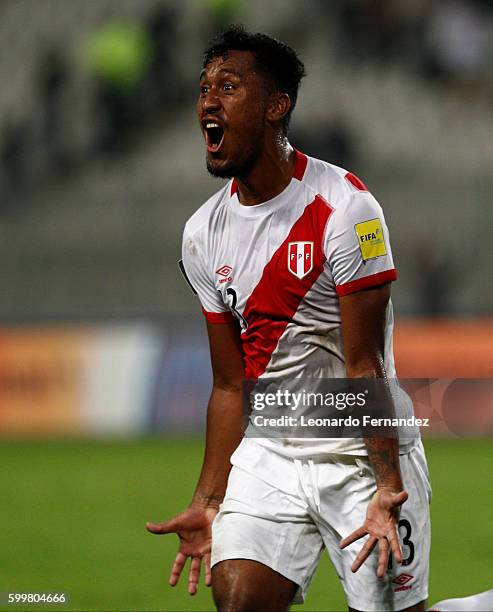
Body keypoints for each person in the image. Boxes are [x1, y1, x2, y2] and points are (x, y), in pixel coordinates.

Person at [147, 26, 431, 612]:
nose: (208, 101)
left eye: (228, 86)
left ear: (276, 107)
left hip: (359, 455)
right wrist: (208, 498)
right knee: (240, 603)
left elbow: (364, 365)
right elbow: (229, 384)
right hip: (271, 451)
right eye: (204, 88)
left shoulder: (346, 209)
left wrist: (386, 489)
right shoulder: (202, 234)